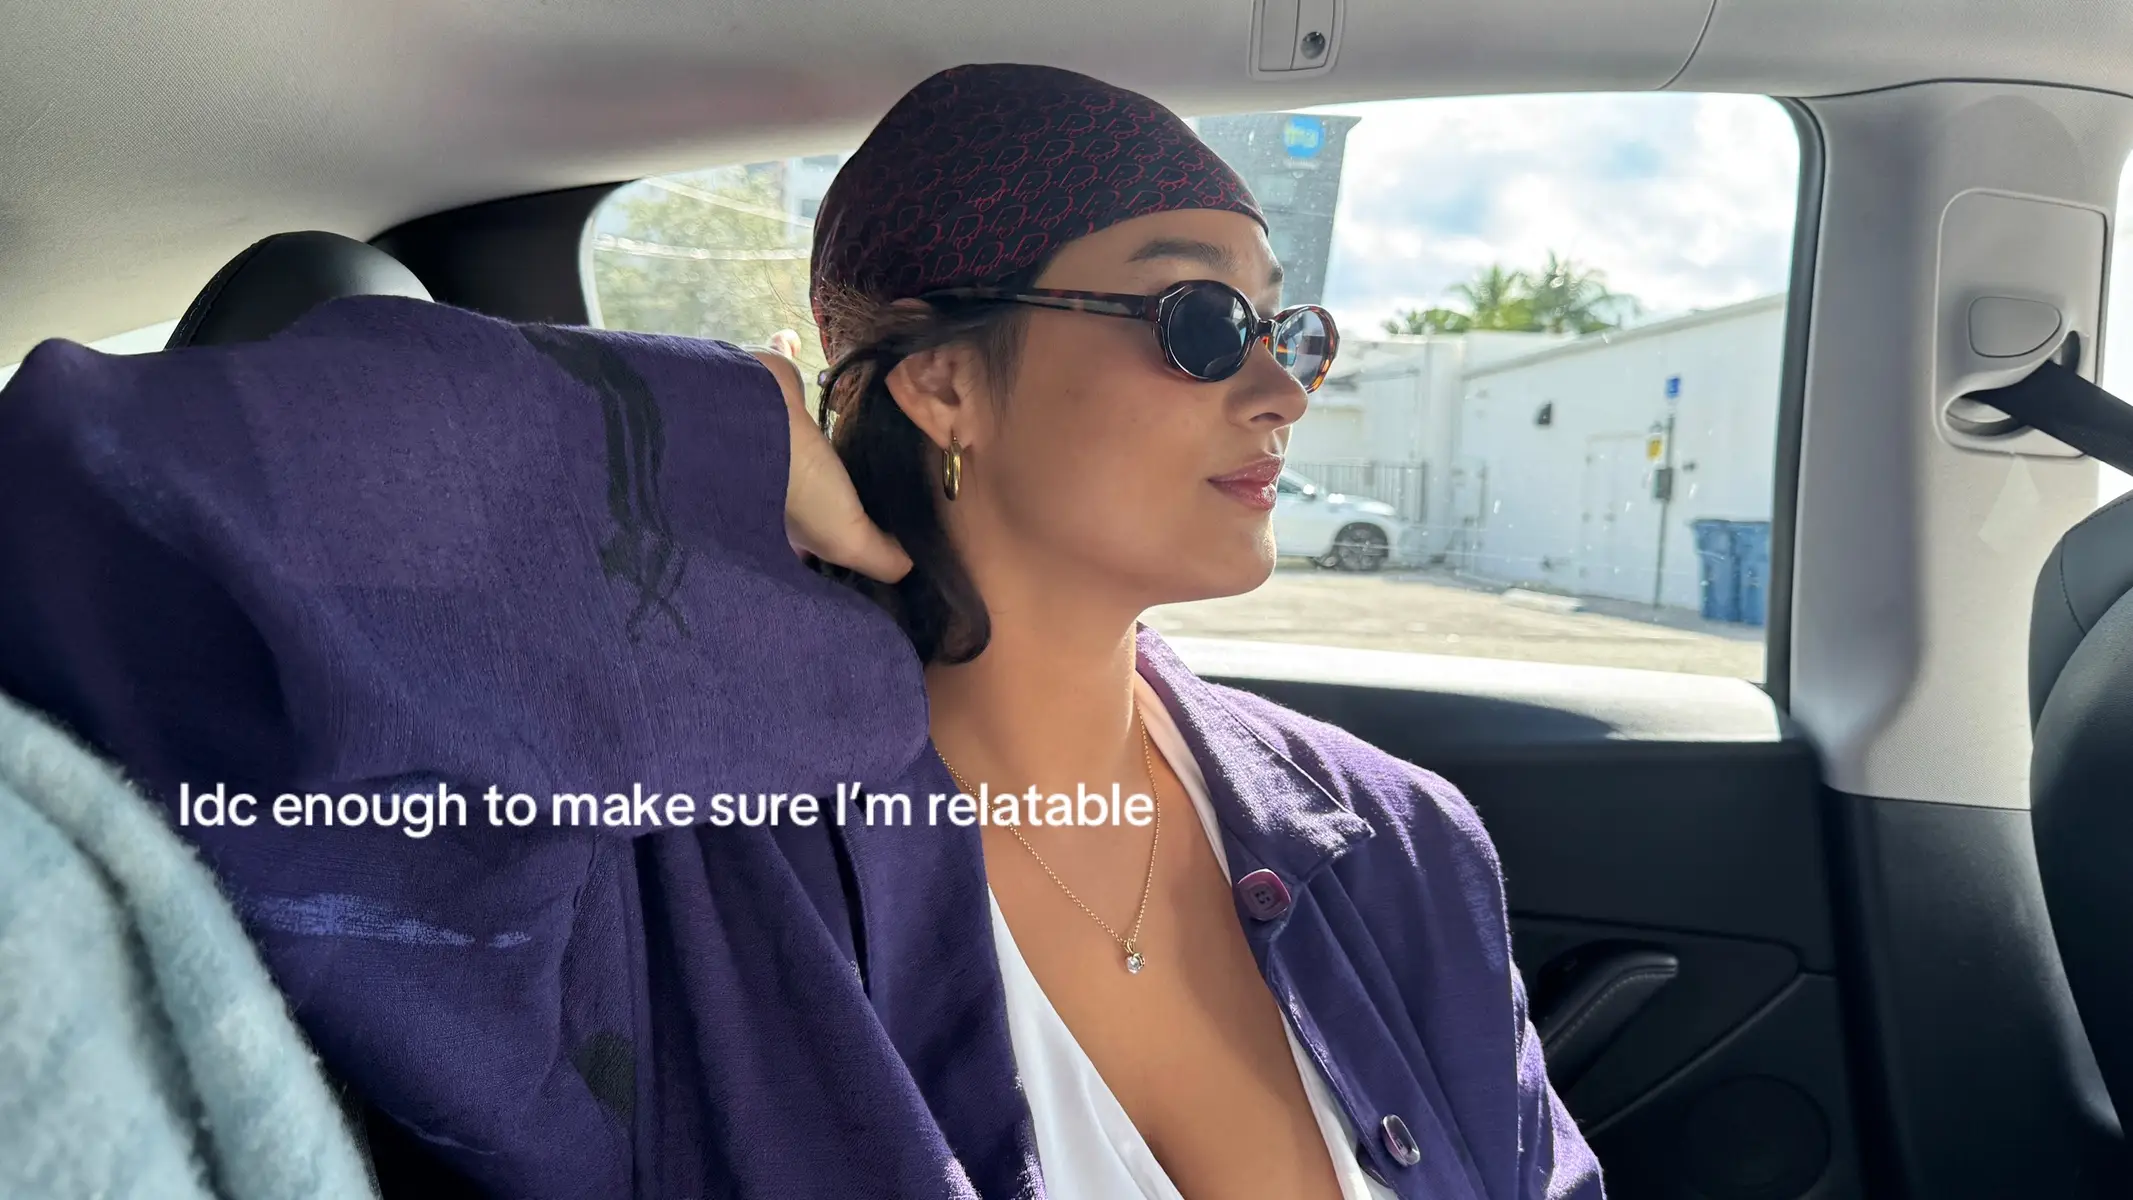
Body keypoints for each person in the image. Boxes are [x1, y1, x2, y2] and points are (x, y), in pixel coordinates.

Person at [0, 63, 1602, 1200]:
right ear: (942, 380)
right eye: (1200, 321)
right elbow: (86, 528)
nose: (1279, 390)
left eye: (1287, 329)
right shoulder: (673, 859)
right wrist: (693, 438)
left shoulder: (1398, 838)